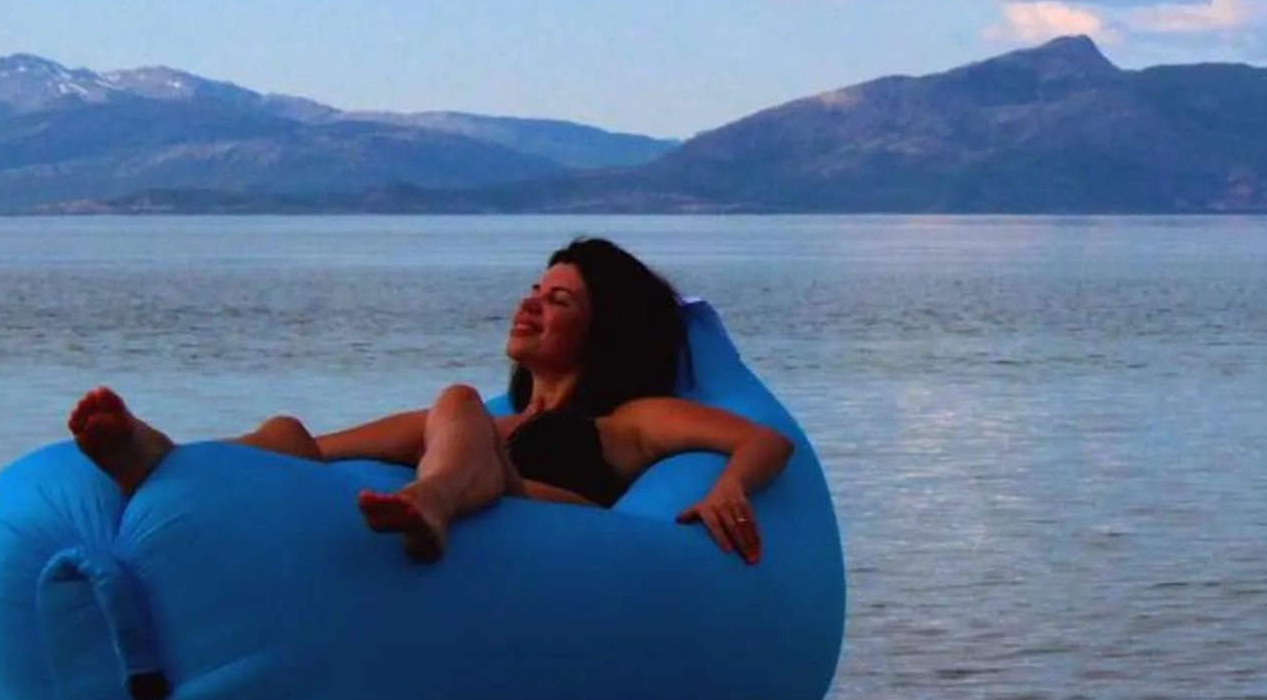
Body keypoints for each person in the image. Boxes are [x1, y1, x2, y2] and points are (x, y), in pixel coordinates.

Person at [67, 237, 792, 566]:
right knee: (292, 435)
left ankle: (435, 505)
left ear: (602, 331)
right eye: (534, 290)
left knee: (452, 404)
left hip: (543, 518)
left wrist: (730, 486)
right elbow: (314, 453)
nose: (531, 304)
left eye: (559, 299)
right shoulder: (486, 421)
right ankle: (163, 461)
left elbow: (765, 440)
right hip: (471, 470)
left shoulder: (625, 422)